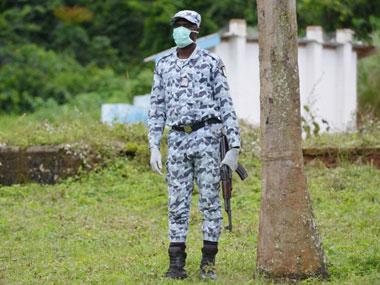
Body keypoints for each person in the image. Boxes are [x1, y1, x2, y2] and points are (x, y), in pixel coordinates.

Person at [148, 10, 241, 280]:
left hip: (207, 137)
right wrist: (154, 144)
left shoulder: (212, 62)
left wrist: (234, 145)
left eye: (185, 25)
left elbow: (226, 104)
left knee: (210, 202)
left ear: (196, 30)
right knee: (177, 202)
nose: (179, 29)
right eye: (176, 25)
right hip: (176, 139)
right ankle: (176, 264)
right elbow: (156, 106)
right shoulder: (163, 64)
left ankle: (208, 262)